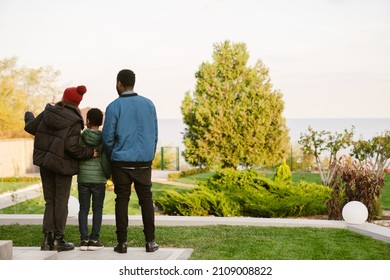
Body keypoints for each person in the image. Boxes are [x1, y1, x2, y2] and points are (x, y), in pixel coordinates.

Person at [24, 85, 98, 252]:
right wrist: (89, 152)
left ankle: (46, 240)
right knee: (61, 202)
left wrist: (28, 116)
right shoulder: (74, 120)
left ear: (64, 97)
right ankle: (58, 239)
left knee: (50, 201)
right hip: (62, 166)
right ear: (77, 102)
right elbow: (72, 147)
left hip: (46, 163)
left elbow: (30, 127)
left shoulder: (48, 112)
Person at [102, 69, 159, 253]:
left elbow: (107, 138)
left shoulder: (113, 106)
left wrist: (113, 155)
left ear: (119, 84)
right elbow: (155, 134)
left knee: (122, 200)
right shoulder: (149, 104)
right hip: (144, 162)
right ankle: (150, 242)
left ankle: (122, 243)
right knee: (146, 200)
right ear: (133, 83)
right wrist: (148, 154)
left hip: (121, 162)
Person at [77, 108, 111, 251]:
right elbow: (105, 160)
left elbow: (77, 153)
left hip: (83, 177)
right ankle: (94, 240)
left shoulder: (81, 137)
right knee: (98, 209)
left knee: (83, 209)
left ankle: (84, 240)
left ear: (88, 121)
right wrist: (107, 174)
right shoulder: (104, 138)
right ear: (101, 121)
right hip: (98, 179)